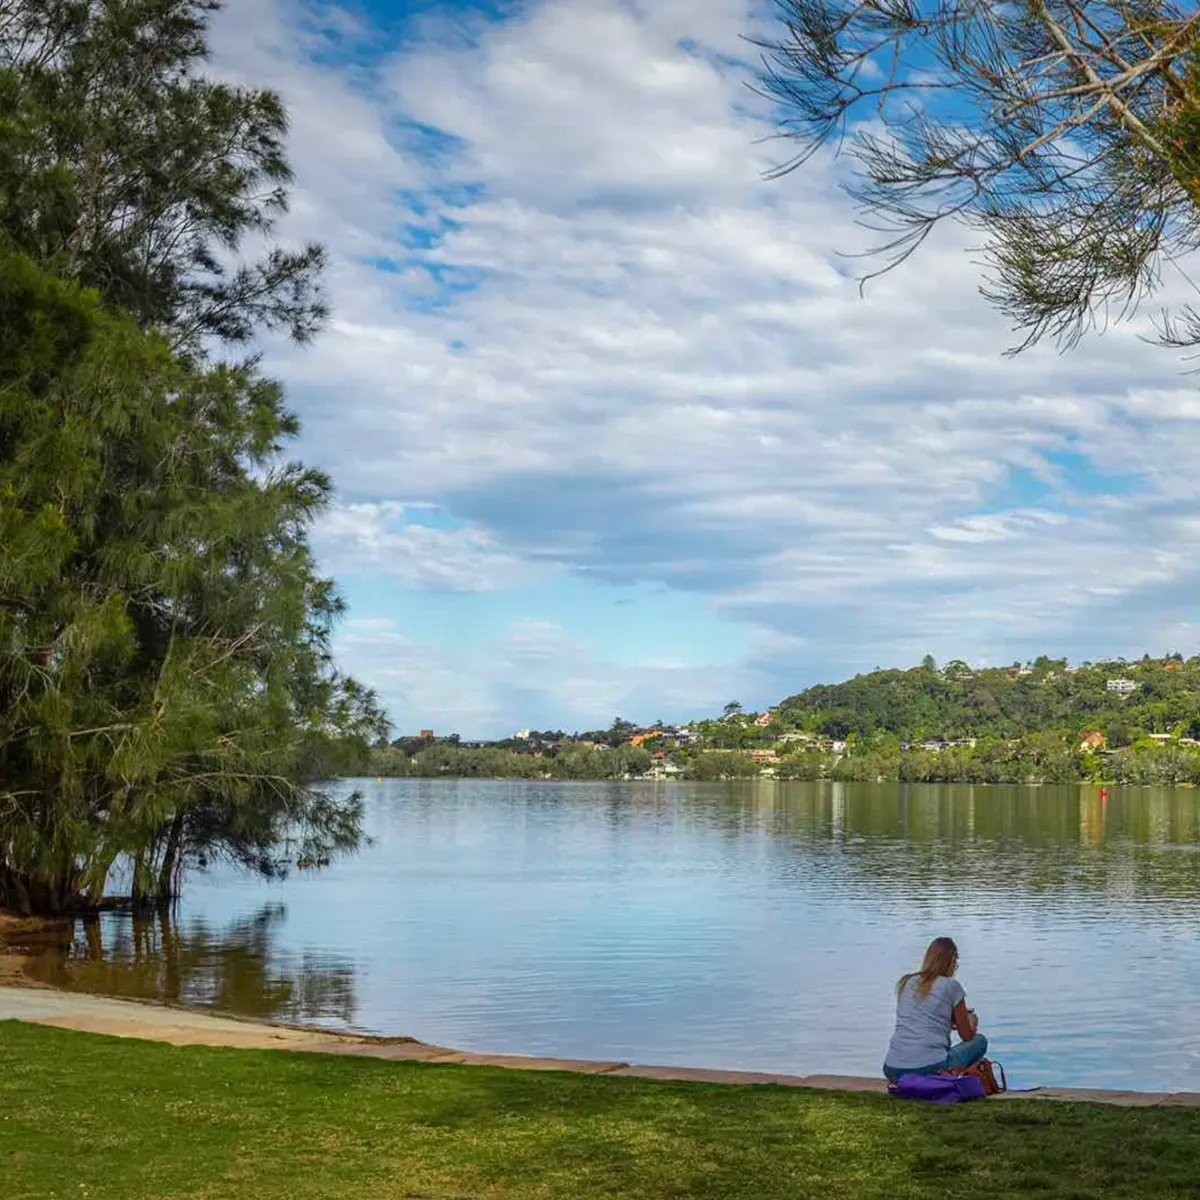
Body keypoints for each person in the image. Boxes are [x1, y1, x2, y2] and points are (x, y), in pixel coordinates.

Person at [883, 936, 988, 1083]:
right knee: (980, 1042)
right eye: (955, 962)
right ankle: (962, 1081)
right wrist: (970, 1020)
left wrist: (949, 1020)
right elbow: (967, 1036)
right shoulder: (951, 986)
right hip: (930, 1068)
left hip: (893, 1069)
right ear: (951, 960)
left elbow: (921, 1018)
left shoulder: (906, 982)